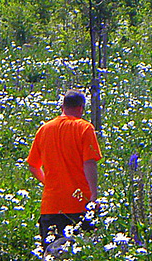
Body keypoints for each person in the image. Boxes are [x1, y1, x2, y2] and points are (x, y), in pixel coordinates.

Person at [27, 90, 101, 251]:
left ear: (62, 106)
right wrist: (94, 196)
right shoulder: (84, 128)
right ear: (81, 108)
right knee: (81, 256)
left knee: (50, 256)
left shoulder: (44, 129)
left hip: (51, 205)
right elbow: (89, 163)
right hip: (79, 205)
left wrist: (49, 183)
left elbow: (33, 165)